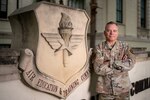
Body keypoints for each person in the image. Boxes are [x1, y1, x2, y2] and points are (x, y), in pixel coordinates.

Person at [92, 21, 136, 100]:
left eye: (114, 31)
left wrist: (109, 63)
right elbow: (98, 69)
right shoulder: (99, 48)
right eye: (109, 30)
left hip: (123, 90)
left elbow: (131, 63)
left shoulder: (125, 47)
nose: (112, 33)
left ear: (117, 33)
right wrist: (121, 64)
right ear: (105, 33)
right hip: (105, 91)